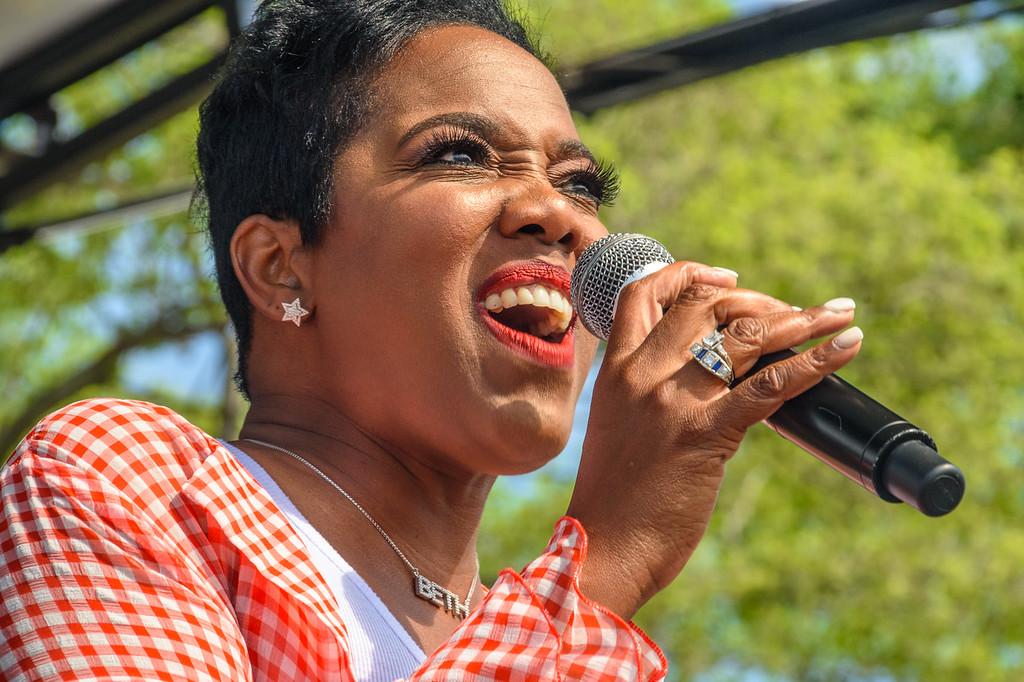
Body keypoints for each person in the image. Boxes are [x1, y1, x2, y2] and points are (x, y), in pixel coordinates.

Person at [0, 0, 863, 679]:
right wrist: (605, 567)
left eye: (580, 184)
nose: (556, 214)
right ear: (279, 266)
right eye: (460, 155)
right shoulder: (132, 486)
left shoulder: (553, 643)